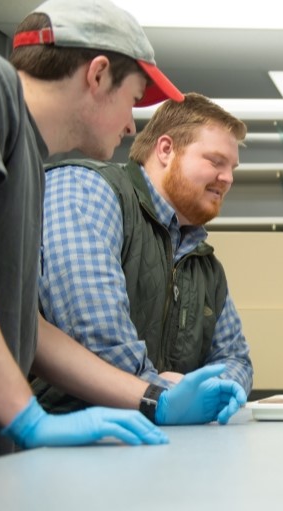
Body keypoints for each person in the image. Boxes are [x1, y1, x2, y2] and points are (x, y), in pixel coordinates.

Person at [0, 0, 244, 461]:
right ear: (97, 75)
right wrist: (27, 415)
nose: (129, 124)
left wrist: (152, 398)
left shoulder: (30, 167)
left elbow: (27, 331)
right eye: (133, 100)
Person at [32, 92, 253, 413]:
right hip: (56, 444)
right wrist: (166, 393)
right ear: (166, 149)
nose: (228, 178)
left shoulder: (205, 264)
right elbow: (96, 341)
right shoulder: (87, 190)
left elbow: (236, 359)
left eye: (232, 168)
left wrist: (210, 391)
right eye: (215, 161)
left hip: (155, 441)